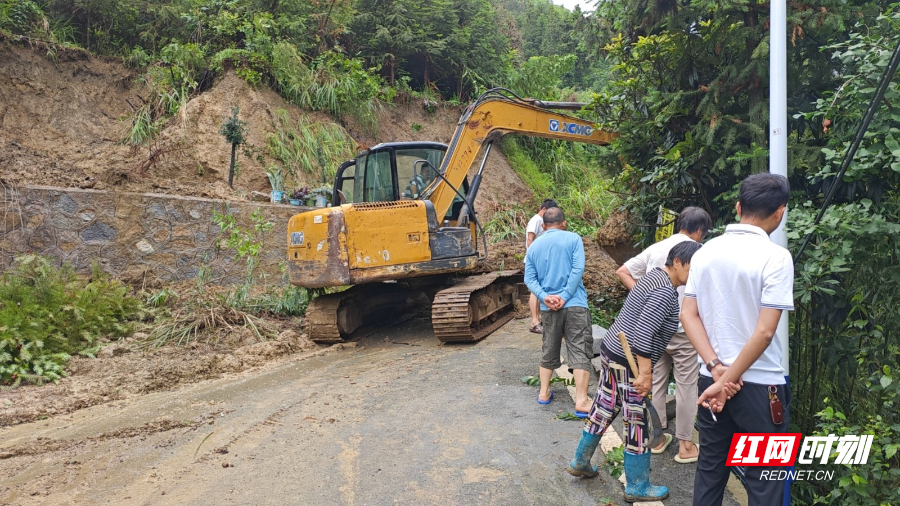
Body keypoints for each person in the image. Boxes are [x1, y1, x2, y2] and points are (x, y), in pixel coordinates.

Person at [682, 173, 794, 506]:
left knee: (711, 469)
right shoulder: (775, 257)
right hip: (762, 389)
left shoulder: (704, 252)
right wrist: (729, 378)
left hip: (710, 381)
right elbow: (764, 331)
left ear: (738, 206)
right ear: (780, 212)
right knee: (765, 482)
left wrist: (717, 371)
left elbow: (688, 314)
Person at [567, 241, 703, 503]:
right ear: (677, 262)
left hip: (612, 351)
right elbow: (642, 335)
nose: (695, 274)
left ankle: (581, 460)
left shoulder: (653, 277)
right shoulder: (664, 291)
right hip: (628, 362)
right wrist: (645, 375)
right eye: (692, 267)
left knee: (605, 406)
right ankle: (638, 486)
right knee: (636, 422)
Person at [616, 206, 711, 463]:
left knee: (656, 382)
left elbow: (623, 271)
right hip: (685, 331)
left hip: (655, 332)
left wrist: (643, 299)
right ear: (700, 231)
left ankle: (657, 439)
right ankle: (685, 446)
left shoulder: (658, 248)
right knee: (686, 387)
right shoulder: (700, 253)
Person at [523, 206, 593, 415]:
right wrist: (564, 296)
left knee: (549, 347)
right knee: (579, 348)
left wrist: (545, 296)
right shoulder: (573, 239)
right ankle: (581, 400)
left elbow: (529, 279)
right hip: (575, 303)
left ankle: (544, 393)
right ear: (564, 223)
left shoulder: (534, 246)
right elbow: (577, 269)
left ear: (543, 226)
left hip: (548, 306)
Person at [525, 199, 558, 334]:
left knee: (539, 289)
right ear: (544, 209)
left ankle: (538, 319)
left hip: (540, 260)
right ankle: (535, 321)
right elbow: (529, 239)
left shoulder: (540, 221)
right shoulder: (537, 220)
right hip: (535, 260)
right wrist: (535, 258)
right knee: (535, 289)